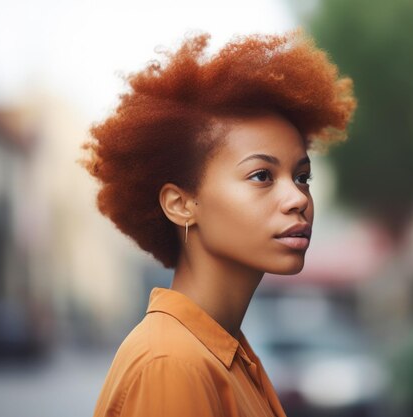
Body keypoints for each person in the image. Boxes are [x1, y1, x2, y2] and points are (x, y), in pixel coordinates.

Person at [81, 30, 355, 417]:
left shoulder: (226, 352)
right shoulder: (172, 363)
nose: (298, 199)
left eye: (302, 177)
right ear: (180, 205)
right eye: (261, 175)